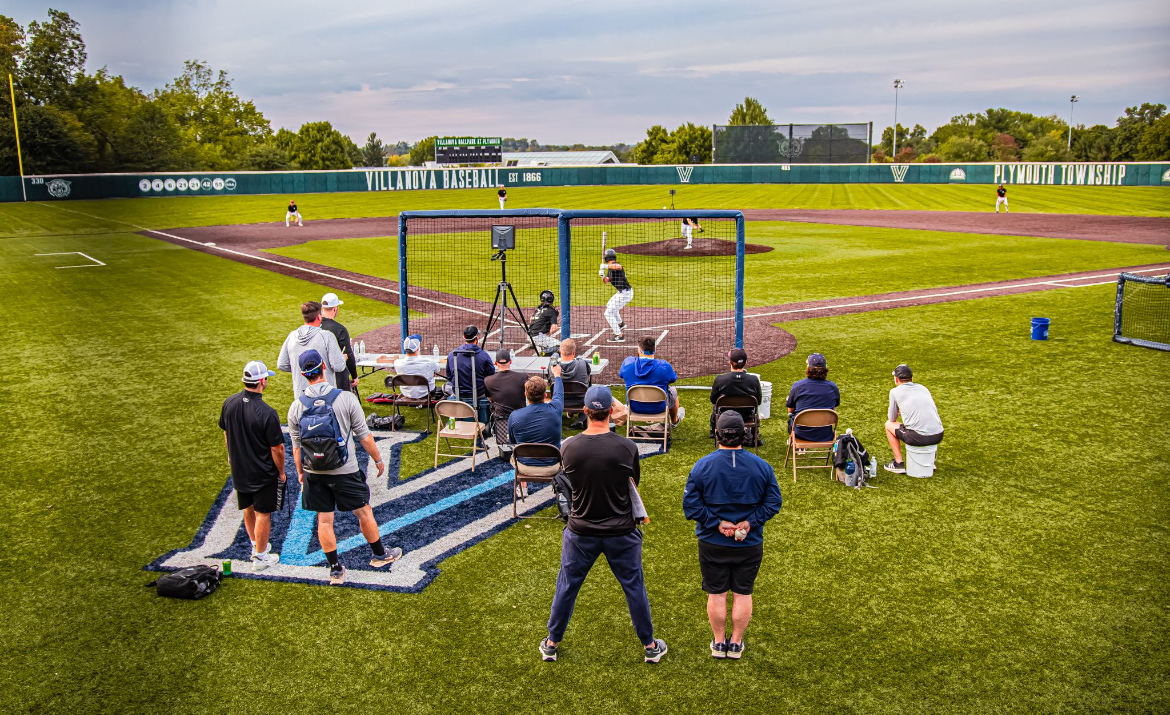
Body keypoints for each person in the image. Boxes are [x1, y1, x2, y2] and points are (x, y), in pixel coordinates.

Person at [540, 385, 667, 664]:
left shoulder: (569, 446)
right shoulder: (627, 447)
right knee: (634, 587)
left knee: (567, 587)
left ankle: (551, 643)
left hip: (581, 530)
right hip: (621, 531)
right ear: (611, 411)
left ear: (585, 411)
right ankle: (649, 646)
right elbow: (634, 481)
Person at [287, 350, 402, 585]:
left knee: (324, 521)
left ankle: (335, 568)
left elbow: (297, 447)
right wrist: (378, 460)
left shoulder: (296, 406)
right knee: (363, 512)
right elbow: (365, 436)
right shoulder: (346, 398)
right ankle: (380, 554)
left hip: (314, 471)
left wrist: (300, 472)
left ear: (303, 374)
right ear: (324, 368)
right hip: (345, 469)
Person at [683, 411, 782, 660]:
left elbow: (691, 505)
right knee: (743, 592)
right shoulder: (762, 467)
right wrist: (750, 523)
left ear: (717, 434)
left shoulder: (702, 465)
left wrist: (717, 524)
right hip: (749, 543)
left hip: (712, 543)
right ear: (745, 434)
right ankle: (736, 643)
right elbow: (773, 503)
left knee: (716, 593)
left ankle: (719, 643)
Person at [219, 361, 286, 571]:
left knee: (247, 508)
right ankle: (260, 557)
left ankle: (256, 547)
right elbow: (277, 449)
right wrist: (282, 472)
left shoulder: (229, 403)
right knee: (263, 513)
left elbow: (226, 431)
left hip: (240, 469)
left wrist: (231, 455)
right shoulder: (267, 412)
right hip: (262, 472)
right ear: (261, 381)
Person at [508, 365, 564, 497]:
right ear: (545, 395)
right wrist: (557, 375)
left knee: (517, 450)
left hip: (524, 467)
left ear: (525, 395)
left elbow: (513, 442)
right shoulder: (556, 409)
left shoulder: (515, 415)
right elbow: (559, 393)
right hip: (553, 466)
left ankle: (523, 487)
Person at [276, 301, 348, 399]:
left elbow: (282, 364)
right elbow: (338, 366)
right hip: (326, 397)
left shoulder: (292, 336)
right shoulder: (326, 336)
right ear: (319, 317)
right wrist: (343, 358)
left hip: (301, 398)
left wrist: (304, 370)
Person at [883, 364, 944, 474]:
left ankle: (898, 463)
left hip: (918, 437)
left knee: (888, 425)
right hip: (938, 435)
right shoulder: (923, 388)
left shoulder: (895, 392)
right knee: (927, 424)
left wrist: (898, 412)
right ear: (912, 378)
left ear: (896, 379)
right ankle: (930, 461)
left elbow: (892, 418)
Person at [619, 336, 684, 425]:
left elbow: (621, 375)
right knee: (673, 391)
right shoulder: (665, 366)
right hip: (658, 407)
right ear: (655, 349)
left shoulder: (628, 363)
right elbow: (673, 379)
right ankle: (674, 421)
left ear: (640, 349)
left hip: (634, 407)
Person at [710, 348, 763, 445]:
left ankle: (713, 432)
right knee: (755, 408)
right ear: (746, 362)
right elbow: (758, 401)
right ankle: (754, 437)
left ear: (730, 362)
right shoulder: (753, 380)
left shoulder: (720, 379)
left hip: (725, 414)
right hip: (747, 415)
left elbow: (713, 400)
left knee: (716, 405)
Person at [785, 353, 840, 443]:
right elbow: (833, 409)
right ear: (825, 369)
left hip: (800, 434)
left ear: (808, 368)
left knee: (791, 416)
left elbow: (790, 410)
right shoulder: (833, 387)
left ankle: (795, 443)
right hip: (825, 434)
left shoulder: (798, 386)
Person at [446, 325, 496, 424]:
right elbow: (491, 376)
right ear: (477, 338)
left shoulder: (452, 354)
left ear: (464, 337)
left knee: (445, 387)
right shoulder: (483, 355)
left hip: (458, 392)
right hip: (479, 393)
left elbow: (449, 375)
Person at [484, 349, 528, 459]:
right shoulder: (523, 377)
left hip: (501, 418)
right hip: (521, 417)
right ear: (510, 361)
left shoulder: (488, 380)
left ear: (495, 363)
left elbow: (490, 399)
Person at [319, 293, 358, 393]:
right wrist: (354, 376)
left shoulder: (315, 325)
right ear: (335, 309)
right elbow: (348, 354)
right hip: (337, 376)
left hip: (317, 374)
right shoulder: (339, 329)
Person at [557, 338, 592, 429]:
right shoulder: (583, 364)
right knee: (590, 388)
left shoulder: (553, 367)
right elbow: (588, 375)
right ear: (574, 352)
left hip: (559, 400)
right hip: (580, 400)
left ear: (560, 352)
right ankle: (581, 418)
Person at [393, 334, 441, 400]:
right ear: (418, 348)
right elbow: (438, 370)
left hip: (406, 393)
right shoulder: (429, 361)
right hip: (426, 393)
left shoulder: (397, 363)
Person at [601, 248, 633, 342]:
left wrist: (605, 266)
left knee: (607, 313)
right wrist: (602, 275)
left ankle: (619, 335)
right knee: (609, 306)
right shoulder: (610, 268)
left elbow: (619, 267)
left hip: (625, 294)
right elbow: (606, 281)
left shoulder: (615, 265)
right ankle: (620, 324)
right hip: (621, 293)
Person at [528, 289, 561, 356]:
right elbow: (554, 328)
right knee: (561, 347)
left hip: (529, 335)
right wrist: (548, 334)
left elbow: (531, 319)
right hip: (538, 337)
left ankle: (534, 343)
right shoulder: (552, 311)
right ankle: (543, 352)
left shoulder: (538, 309)